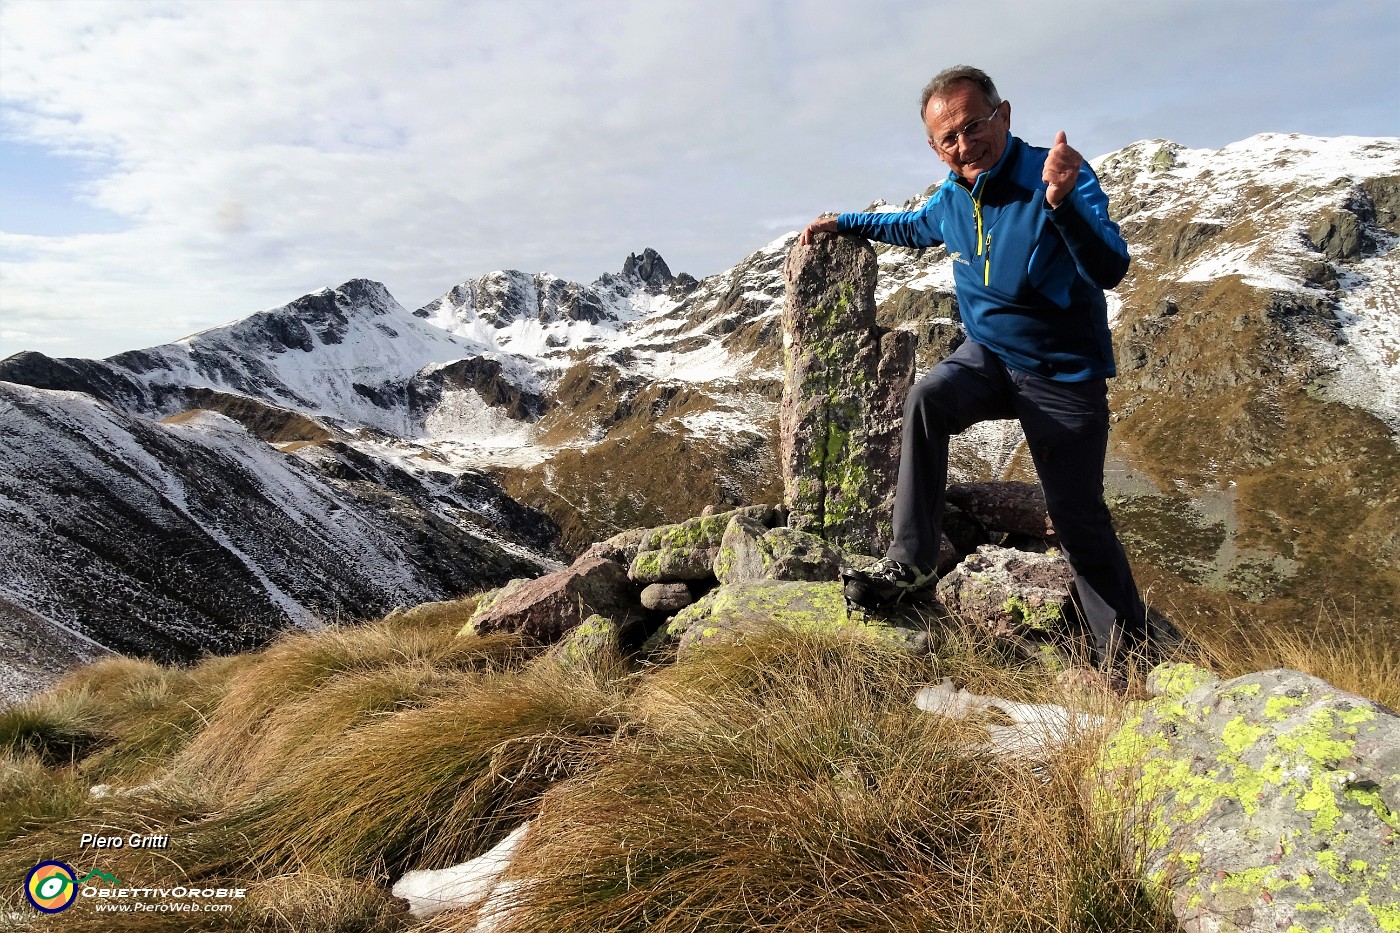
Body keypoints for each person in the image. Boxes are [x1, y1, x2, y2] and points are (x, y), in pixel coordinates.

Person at [800, 65, 1149, 671]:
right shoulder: (951, 197)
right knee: (927, 399)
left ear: (1004, 116)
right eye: (949, 139)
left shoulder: (1055, 175)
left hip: (1061, 372)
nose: (965, 145)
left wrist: (1062, 205)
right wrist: (847, 222)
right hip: (988, 356)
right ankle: (909, 563)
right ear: (934, 150)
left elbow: (1109, 267)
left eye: (974, 126)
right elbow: (911, 225)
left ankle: (1126, 657)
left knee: (1076, 516)